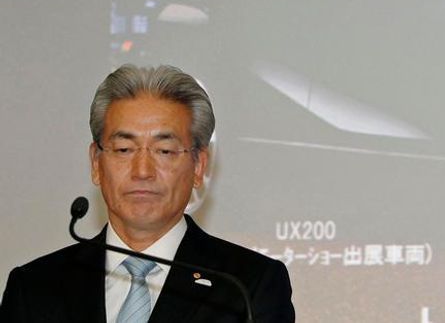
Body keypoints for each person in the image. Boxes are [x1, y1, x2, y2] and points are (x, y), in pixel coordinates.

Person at [0, 64, 295, 322]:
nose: (142, 171)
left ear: (198, 165)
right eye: (124, 149)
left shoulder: (246, 286)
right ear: (95, 163)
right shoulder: (35, 287)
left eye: (164, 150)